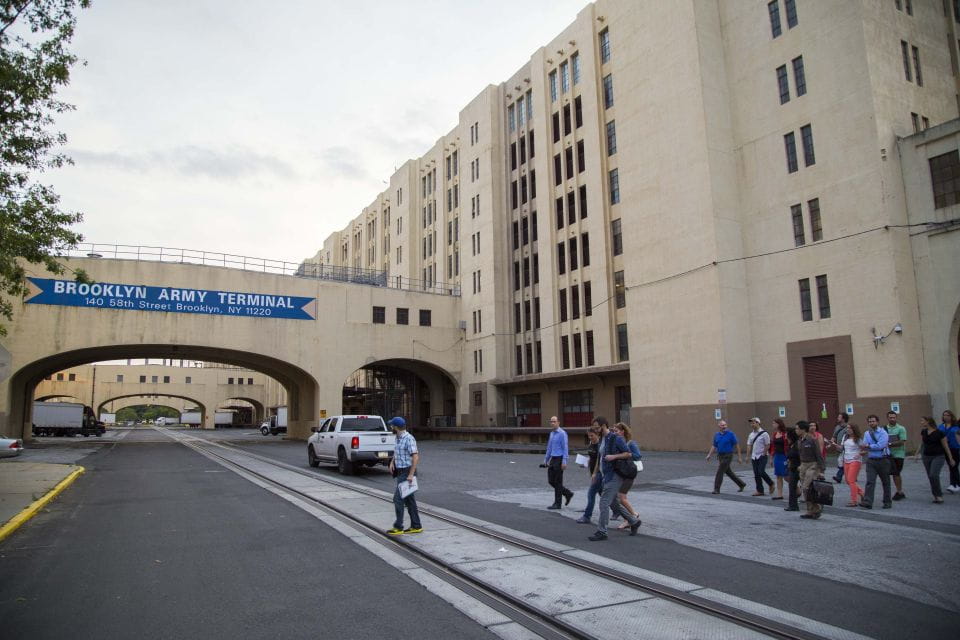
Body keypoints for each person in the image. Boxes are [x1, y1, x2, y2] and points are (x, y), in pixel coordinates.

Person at [588, 416, 641, 541]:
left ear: (603, 426)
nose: (595, 429)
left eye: (597, 427)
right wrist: (595, 473)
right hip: (606, 474)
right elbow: (600, 458)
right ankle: (634, 521)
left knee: (604, 503)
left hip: (615, 475)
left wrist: (613, 457)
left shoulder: (615, 438)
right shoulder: (602, 439)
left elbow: (628, 453)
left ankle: (602, 532)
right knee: (613, 503)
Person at [386, 417, 422, 535]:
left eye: (392, 426)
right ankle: (416, 526)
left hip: (407, 472)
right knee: (409, 500)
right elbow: (397, 452)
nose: (390, 427)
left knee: (398, 499)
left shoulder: (409, 438)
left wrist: (411, 475)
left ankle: (398, 526)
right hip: (400, 472)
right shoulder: (397, 438)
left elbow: (415, 457)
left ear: (396, 427)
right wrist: (392, 462)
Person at [916, 416, 955, 503]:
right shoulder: (924, 432)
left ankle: (939, 495)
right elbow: (922, 443)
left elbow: (945, 446)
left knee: (934, 474)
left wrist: (950, 458)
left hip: (938, 456)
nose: (921, 422)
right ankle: (935, 495)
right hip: (926, 456)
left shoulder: (939, 433)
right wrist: (917, 454)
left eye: (922, 421)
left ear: (928, 421)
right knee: (930, 476)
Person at [612, 422, 642, 530]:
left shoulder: (630, 443)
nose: (614, 433)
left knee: (621, 497)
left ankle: (633, 515)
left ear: (622, 431)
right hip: (621, 473)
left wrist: (627, 455)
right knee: (619, 497)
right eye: (613, 431)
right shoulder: (617, 443)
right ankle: (629, 518)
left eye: (616, 431)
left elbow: (638, 455)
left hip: (628, 473)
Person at [860, 414, 892, 509]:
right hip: (871, 460)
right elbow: (865, 444)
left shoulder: (883, 433)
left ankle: (887, 501)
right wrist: (868, 447)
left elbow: (880, 445)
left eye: (873, 421)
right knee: (870, 481)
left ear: (877, 422)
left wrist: (869, 446)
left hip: (883, 460)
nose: (871, 423)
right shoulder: (867, 433)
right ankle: (868, 502)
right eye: (870, 421)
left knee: (885, 482)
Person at [827, 422, 863, 506]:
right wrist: (834, 444)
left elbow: (864, 449)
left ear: (854, 429)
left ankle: (854, 500)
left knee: (851, 480)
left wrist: (859, 454)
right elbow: (841, 448)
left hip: (855, 461)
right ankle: (862, 493)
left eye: (850, 428)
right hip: (846, 460)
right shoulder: (845, 437)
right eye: (847, 428)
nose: (848, 430)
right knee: (848, 480)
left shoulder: (858, 439)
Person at [795, 421, 826, 519]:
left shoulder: (812, 439)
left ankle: (817, 508)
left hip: (813, 465)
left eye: (797, 428)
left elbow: (818, 454)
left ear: (803, 429)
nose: (796, 430)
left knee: (806, 487)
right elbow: (800, 454)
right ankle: (810, 510)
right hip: (803, 465)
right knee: (805, 489)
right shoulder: (800, 440)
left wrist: (822, 469)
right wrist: (800, 465)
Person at [706, 419, 745, 494]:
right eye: (722, 425)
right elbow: (714, 445)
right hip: (720, 456)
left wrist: (740, 457)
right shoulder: (716, 435)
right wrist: (709, 455)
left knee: (720, 471)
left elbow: (737, 445)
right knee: (728, 472)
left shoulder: (731, 434)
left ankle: (716, 489)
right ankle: (741, 484)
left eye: (725, 425)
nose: (724, 426)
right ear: (719, 426)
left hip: (728, 455)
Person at [543, 416, 573, 509]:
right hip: (553, 458)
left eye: (554, 421)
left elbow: (565, 448)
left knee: (558, 482)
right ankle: (567, 493)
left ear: (558, 422)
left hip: (560, 458)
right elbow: (549, 448)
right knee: (551, 481)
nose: (552, 423)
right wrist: (546, 460)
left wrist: (564, 461)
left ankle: (557, 503)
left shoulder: (562, 433)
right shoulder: (552, 433)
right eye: (551, 421)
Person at [576, 426, 604, 524]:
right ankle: (619, 511)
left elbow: (599, 461)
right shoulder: (592, 443)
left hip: (599, 473)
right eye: (589, 436)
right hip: (593, 473)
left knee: (591, 493)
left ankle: (587, 516)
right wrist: (584, 463)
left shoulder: (600, 445)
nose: (590, 438)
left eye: (592, 436)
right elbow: (591, 458)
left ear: (598, 435)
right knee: (603, 494)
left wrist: (595, 473)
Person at [746, 418, 774, 496]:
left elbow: (768, 444)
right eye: (751, 423)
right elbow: (749, 445)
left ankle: (771, 483)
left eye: (754, 423)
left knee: (761, 471)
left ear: (758, 423)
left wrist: (764, 453)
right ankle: (760, 490)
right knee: (756, 473)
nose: (752, 424)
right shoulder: (751, 434)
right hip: (754, 456)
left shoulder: (764, 433)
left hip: (762, 455)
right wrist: (748, 456)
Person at [885, 411, 908, 500]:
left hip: (898, 454)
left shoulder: (901, 428)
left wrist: (889, 444)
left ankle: (899, 491)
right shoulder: (884, 429)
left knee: (896, 473)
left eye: (894, 417)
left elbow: (902, 441)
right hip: (888, 454)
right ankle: (898, 491)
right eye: (890, 417)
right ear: (887, 418)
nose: (892, 419)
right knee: (891, 473)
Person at [939, 410, 960, 493]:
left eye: (948, 415)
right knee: (951, 466)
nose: (946, 417)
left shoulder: (956, 426)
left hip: (955, 448)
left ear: (951, 416)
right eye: (944, 415)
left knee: (954, 465)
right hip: (945, 448)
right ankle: (954, 484)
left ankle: (954, 484)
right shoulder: (941, 426)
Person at [770, 419, 789, 500]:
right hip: (777, 456)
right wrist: (771, 458)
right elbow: (773, 447)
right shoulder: (774, 434)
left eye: (774, 423)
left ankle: (797, 489)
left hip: (784, 456)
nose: (773, 424)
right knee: (778, 475)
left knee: (787, 476)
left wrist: (788, 457)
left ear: (779, 424)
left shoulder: (785, 434)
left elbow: (788, 445)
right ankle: (779, 494)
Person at [830, 412, 850, 483]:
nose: (837, 418)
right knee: (842, 462)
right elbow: (834, 436)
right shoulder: (837, 427)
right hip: (839, 448)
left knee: (842, 462)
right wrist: (830, 443)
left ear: (843, 419)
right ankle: (851, 476)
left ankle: (839, 477)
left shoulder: (849, 427)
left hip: (847, 449)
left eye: (839, 417)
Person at [784, 427, 800, 511]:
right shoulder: (791, 445)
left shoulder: (798, 444)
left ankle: (814, 505)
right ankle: (793, 505)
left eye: (786, 434)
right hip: (793, 468)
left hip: (800, 468)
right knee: (792, 487)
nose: (785, 436)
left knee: (806, 487)